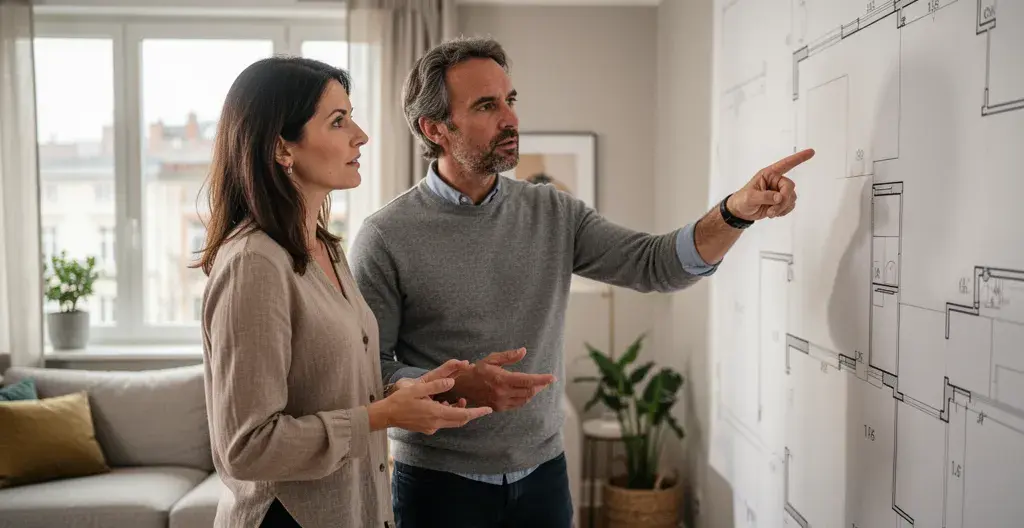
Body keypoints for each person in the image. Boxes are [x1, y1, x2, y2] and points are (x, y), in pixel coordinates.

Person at [349, 37, 813, 527]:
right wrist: (451, 384)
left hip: (544, 478)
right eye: (487, 105)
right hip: (438, 485)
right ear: (435, 128)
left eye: (510, 100)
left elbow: (656, 263)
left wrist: (734, 213)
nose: (510, 119)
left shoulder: (553, 211)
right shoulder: (385, 235)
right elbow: (366, 369)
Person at [195, 56, 492, 528]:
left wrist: (408, 391)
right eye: (338, 121)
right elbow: (246, 448)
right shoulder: (254, 264)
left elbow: (328, 387)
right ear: (281, 148)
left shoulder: (325, 248)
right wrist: (379, 416)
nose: (361, 135)